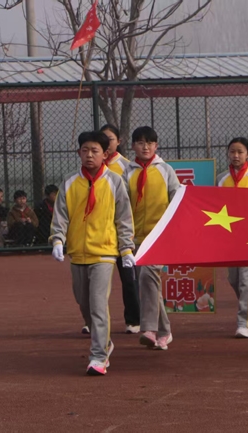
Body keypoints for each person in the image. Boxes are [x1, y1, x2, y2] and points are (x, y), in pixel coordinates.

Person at [50, 130, 135, 376]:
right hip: (78, 253)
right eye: (85, 150)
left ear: (105, 154)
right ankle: (105, 341)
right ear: (79, 152)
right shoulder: (69, 182)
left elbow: (124, 218)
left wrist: (126, 248)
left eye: (95, 151)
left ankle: (98, 356)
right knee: (84, 303)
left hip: (104, 253)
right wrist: (58, 240)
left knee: (98, 304)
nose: (89, 155)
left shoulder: (115, 182)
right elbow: (61, 215)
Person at [122, 126, 180, 350]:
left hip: (160, 236)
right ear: (133, 146)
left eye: (149, 142)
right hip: (136, 237)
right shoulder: (127, 173)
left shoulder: (166, 170)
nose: (145, 147)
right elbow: (121, 204)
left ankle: (149, 329)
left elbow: (177, 199)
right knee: (149, 284)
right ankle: (165, 332)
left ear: (156, 146)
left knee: (148, 276)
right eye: (140, 142)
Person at [216, 137, 248, 338]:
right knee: (234, 279)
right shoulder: (221, 179)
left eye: (240, 152)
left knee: (246, 281)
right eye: (232, 152)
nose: (235, 155)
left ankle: (243, 323)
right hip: (230, 238)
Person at [101, 124, 140, 335]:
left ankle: (133, 319)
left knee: (130, 279)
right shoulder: (92, 167)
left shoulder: (127, 167)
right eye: (103, 139)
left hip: (124, 234)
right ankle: (93, 320)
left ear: (119, 141)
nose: (106, 143)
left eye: (110, 139)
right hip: (101, 235)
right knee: (97, 282)